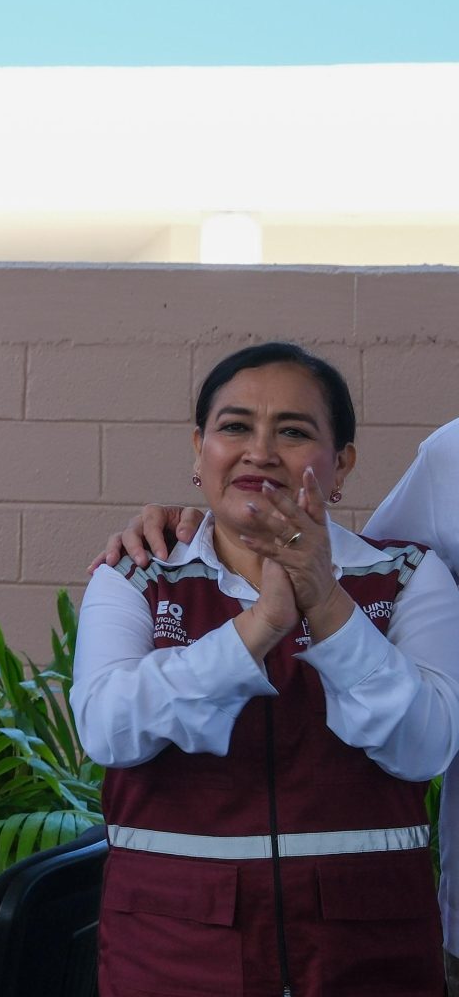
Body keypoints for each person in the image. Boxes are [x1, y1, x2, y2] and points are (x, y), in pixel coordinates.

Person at [74, 342, 459, 996]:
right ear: (200, 452)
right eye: (234, 427)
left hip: (369, 956)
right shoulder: (137, 575)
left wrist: (327, 602)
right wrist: (258, 628)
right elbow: (109, 729)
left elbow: (425, 745)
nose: (261, 450)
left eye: (294, 431)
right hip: (172, 954)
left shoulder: (407, 576)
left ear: (341, 465)